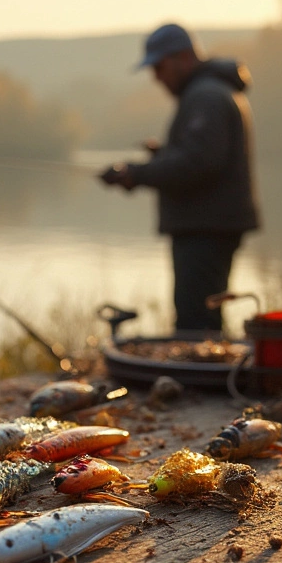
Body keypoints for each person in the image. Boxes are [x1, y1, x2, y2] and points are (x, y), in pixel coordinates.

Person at [99, 23, 259, 334]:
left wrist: (137, 173)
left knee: (196, 324)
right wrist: (163, 156)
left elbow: (198, 163)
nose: (155, 76)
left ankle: (204, 382)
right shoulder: (207, 92)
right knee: (200, 318)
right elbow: (200, 157)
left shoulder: (207, 96)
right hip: (207, 226)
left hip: (206, 229)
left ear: (184, 58)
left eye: (159, 66)